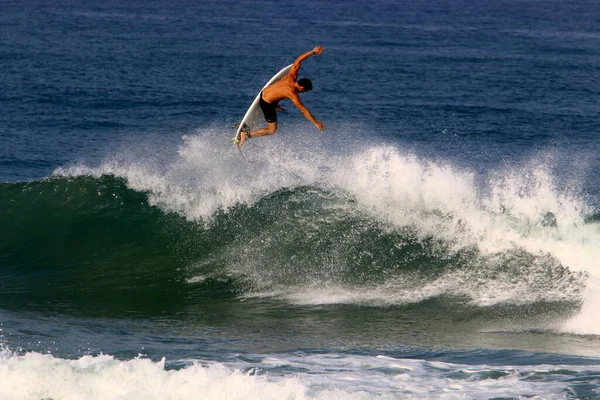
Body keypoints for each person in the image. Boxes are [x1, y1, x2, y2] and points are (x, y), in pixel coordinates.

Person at [237, 45, 325, 147]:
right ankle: (247, 135)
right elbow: (303, 110)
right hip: (266, 104)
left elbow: (298, 61)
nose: (303, 93)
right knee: (272, 130)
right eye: (304, 91)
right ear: (302, 88)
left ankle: (274, 104)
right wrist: (315, 122)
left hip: (264, 93)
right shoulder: (292, 93)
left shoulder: (292, 75)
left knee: (279, 95)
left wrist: (313, 52)